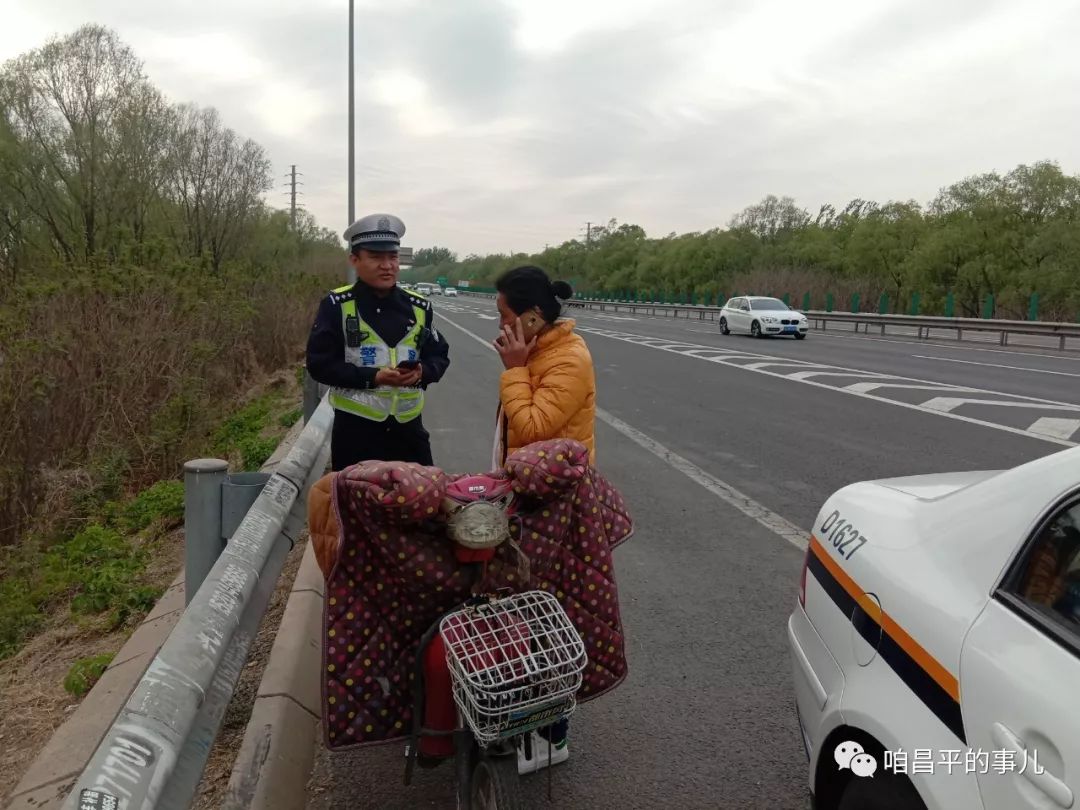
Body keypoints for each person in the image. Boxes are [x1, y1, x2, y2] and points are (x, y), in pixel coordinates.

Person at [489, 264, 596, 774]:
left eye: (505, 316)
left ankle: (552, 733)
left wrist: (513, 369)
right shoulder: (539, 351)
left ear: (532, 318)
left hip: (557, 504)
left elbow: (530, 427)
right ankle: (524, 720)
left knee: (548, 614)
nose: (501, 327)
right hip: (530, 495)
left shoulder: (568, 359)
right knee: (526, 608)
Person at [306, 213, 450, 471]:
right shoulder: (336, 306)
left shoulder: (419, 307)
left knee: (422, 505)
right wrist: (374, 377)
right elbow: (319, 365)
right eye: (375, 257)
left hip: (409, 434)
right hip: (356, 435)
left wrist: (422, 372)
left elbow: (439, 356)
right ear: (355, 260)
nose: (387, 265)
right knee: (358, 510)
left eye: (392, 257)